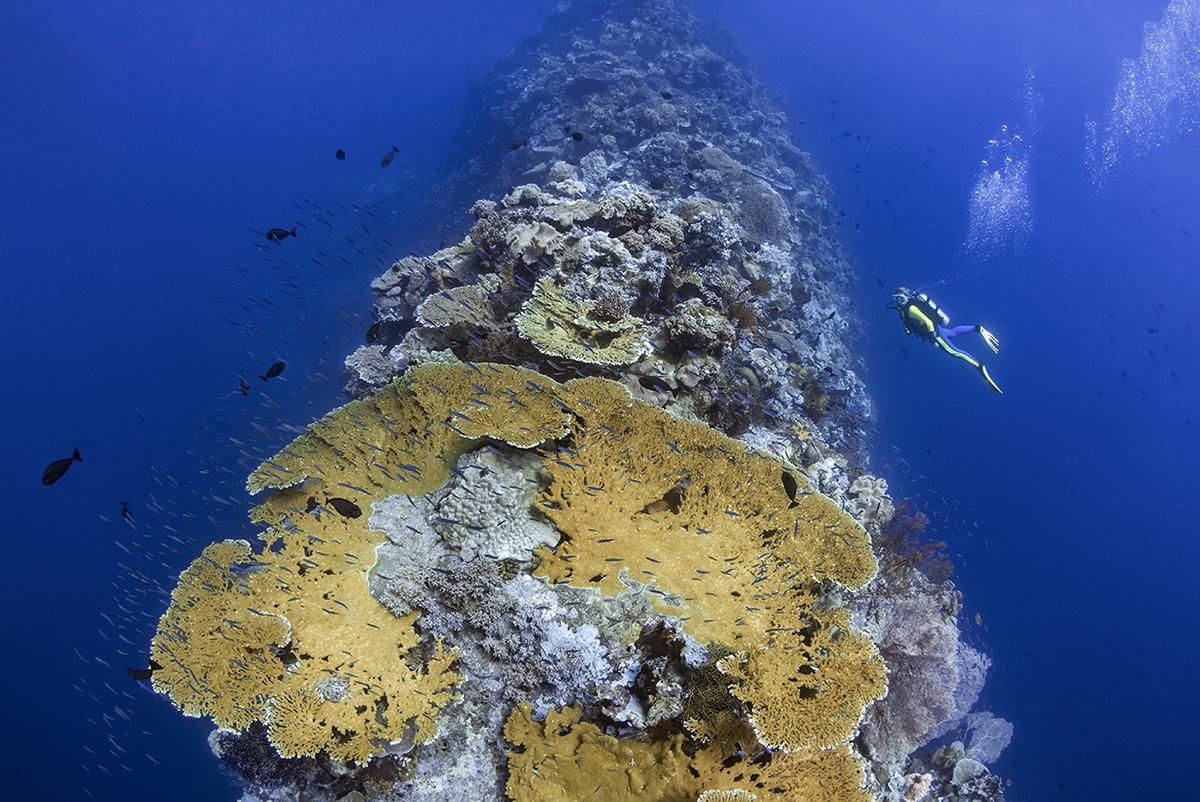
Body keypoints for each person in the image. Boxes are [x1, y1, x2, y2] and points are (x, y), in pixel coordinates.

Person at [888, 287, 1002, 394]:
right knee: (952, 332)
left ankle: (979, 367)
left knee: (954, 352)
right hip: (936, 330)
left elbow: (927, 322)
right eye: (897, 298)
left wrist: (934, 339)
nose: (899, 301)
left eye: (901, 298)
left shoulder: (911, 308)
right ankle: (978, 328)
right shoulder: (903, 311)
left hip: (935, 333)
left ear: (907, 297)